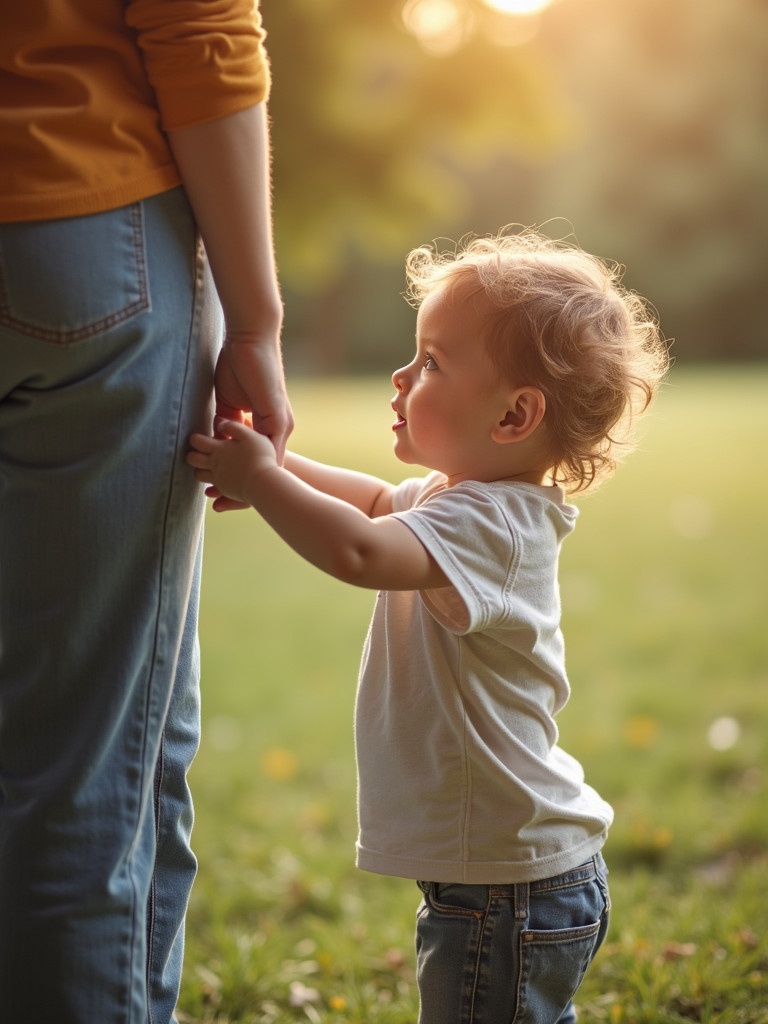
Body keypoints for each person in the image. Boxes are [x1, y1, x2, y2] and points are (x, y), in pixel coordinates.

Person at [187, 228, 670, 1023]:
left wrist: (265, 483)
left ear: (514, 414)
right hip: (506, 876)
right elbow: (376, 503)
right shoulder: (463, 501)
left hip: (507, 883)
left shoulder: (495, 525)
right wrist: (273, 458)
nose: (401, 375)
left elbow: (360, 549)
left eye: (433, 362)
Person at [0, 2, 292, 1022]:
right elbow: (199, 26)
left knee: (131, 723)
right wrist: (255, 317)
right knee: (94, 751)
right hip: (76, 226)